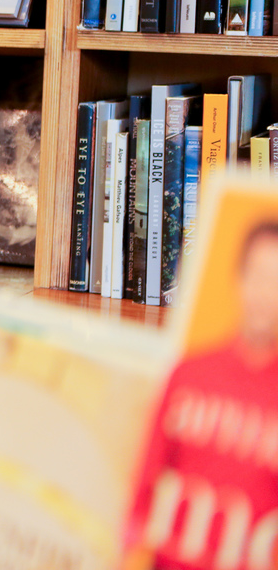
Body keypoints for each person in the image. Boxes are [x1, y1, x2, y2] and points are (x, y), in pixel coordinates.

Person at [121, 219, 278, 570]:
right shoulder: (190, 374)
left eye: (276, 281)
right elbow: (143, 486)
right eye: (258, 276)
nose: (266, 293)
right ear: (239, 279)